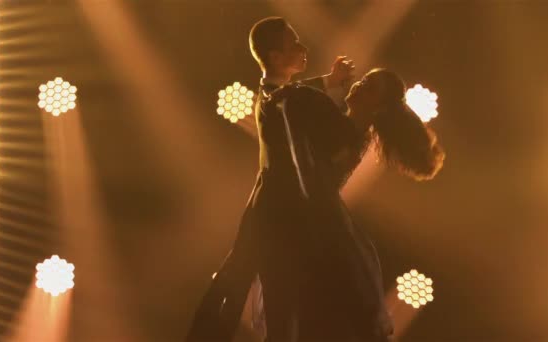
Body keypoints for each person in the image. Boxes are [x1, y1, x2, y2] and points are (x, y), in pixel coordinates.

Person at [186, 19, 444, 342]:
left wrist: (321, 84)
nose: (358, 84)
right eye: (365, 79)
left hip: (291, 229)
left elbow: (282, 101)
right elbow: (285, 100)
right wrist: (326, 82)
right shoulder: (337, 122)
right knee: (276, 311)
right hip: (288, 225)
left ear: (377, 106)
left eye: (369, 86)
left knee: (275, 310)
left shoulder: (337, 128)